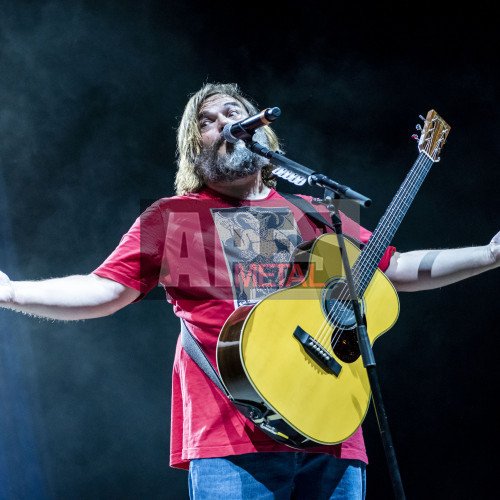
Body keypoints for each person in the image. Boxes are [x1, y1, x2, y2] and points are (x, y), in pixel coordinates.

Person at [1, 82, 499, 499]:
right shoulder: (173, 217)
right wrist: (13, 293)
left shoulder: (318, 211)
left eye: (235, 113)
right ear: (195, 148)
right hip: (231, 440)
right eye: (209, 120)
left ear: (263, 129)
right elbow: (104, 289)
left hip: (332, 432)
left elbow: (394, 269)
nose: (224, 122)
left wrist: (489, 254)